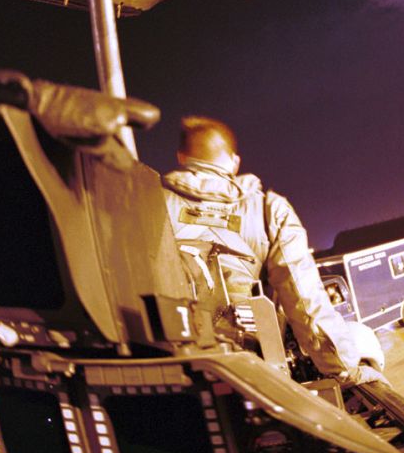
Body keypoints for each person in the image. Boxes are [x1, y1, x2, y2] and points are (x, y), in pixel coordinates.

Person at [162, 115, 385, 384]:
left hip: (175, 376)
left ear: (181, 157)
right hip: (257, 377)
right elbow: (304, 300)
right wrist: (343, 368)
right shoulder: (269, 211)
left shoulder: (150, 205)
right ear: (234, 161)